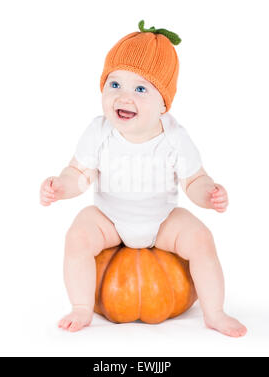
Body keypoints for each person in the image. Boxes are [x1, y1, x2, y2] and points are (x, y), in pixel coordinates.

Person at [39, 21, 247, 337]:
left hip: (161, 222)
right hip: (108, 220)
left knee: (201, 239)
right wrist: (61, 186)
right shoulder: (99, 132)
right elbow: (80, 174)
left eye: (140, 89)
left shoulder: (174, 137)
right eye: (115, 85)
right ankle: (82, 307)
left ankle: (215, 312)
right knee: (78, 235)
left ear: (163, 103)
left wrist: (209, 194)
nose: (124, 97)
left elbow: (194, 180)